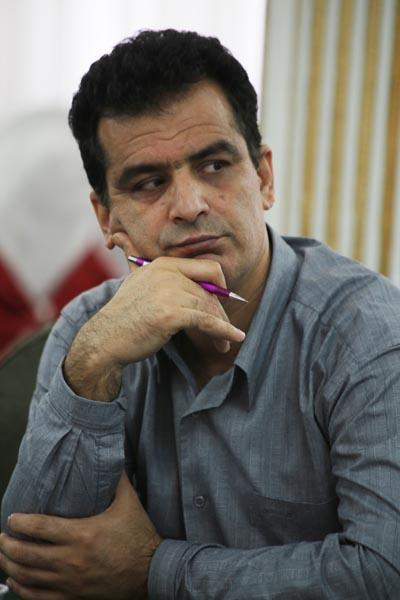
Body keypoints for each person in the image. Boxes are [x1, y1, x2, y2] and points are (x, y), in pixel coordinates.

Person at [1, 29, 400, 600]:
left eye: (214, 165)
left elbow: (384, 573)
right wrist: (92, 365)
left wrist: (154, 571)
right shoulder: (87, 330)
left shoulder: (368, 333)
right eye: (149, 183)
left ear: (263, 178)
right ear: (106, 218)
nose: (189, 206)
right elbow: (36, 567)